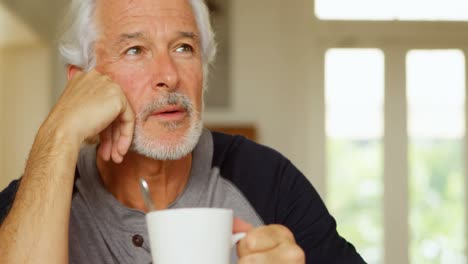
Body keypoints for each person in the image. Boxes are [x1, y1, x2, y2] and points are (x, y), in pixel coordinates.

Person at [0, 0, 366, 263]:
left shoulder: (268, 180)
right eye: (135, 50)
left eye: (183, 47)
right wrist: (59, 132)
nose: (169, 75)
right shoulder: (33, 201)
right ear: (82, 86)